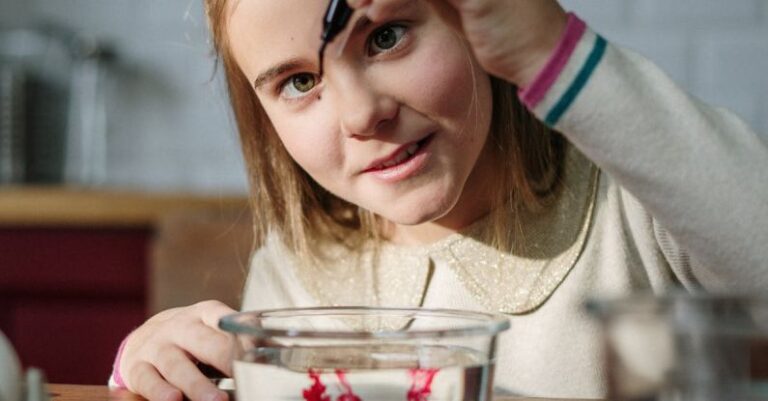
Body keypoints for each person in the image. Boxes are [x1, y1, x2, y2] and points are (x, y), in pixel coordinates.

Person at [109, 0, 768, 400]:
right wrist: (163, 370)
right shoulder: (293, 274)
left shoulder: (640, 200)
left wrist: (552, 55)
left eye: (387, 36)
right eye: (302, 80)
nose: (362, 113)